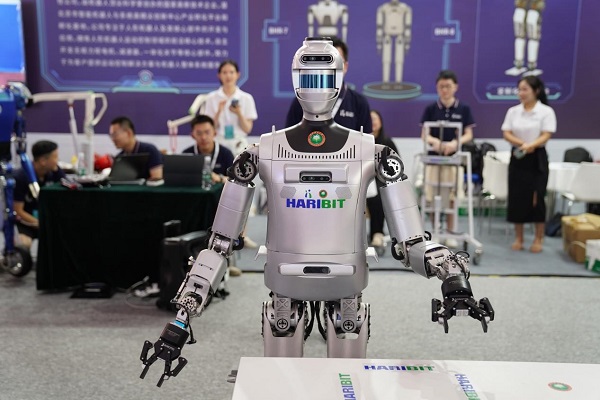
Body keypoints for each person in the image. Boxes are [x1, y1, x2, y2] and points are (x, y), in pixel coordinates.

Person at [420, 70, 475, 247]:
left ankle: (450, 232)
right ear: (437, 88)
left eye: (448, 86)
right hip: (433, 160)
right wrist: (435, 142)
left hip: (453, 160)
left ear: (455, 87)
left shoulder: (463, 108)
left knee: (452, 197)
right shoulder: (431, 109)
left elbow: (469, 134)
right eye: (441, 86)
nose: (445, 90)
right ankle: (435, 230)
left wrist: (455, 143)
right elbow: (424, 134)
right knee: (432, 196)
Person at [501, 75, 556, 253]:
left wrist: (532, 145)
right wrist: (522, 144)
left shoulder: (545, 111)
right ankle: (519, 238)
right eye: (519, 89)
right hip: (518, 156)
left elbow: (546, 134)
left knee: (537, 197)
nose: (521, 93)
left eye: (525, 89)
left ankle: (538, 238)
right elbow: (506, 132)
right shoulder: (513, 111)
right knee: (517, 196)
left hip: (537, 158)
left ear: (536, 91)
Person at [285, 36, 373, 133]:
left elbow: (366, 139)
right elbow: (290, 136)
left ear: (345, 66)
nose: (331, 66)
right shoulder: (302, 100)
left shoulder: (359, 103)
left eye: (337, 61)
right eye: (327, 60)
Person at [13, 140, 66, 249]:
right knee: (23, 244)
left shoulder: (56, 173)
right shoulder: (21, 177)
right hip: (26, 223)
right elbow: (18, 210)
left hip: (48, 221)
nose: (58, 160)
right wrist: (40, 222)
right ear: (43, 161)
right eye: (55, 157)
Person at [203, 60, 258, 156]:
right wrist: (219, 111)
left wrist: (239, 113)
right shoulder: (211, 98)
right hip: (219, 143)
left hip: (239, 144)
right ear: (219, 75)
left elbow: (247, 129)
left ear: (238, 74)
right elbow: (210, 128)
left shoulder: (246, 98)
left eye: (231, 72)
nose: (228, 76)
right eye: (224, 72)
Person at [366, 110, 399, 248]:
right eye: (370, 119)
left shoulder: (387, 142)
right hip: (363, 177)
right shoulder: (360, 141)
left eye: (375, 119)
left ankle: (377, 233)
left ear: (380, 122)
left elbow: (396, 164)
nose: (373, 122)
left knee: (379, 195)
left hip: (381, 178)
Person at [182, 114, 234, 184]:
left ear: (215, 133)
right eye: (199, 133)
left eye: (207, 132)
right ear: (192, 135)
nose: (203, 137)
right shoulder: (186, 154)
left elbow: (234, 180)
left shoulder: (226, 154)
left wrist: (220, 178)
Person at [109, 116, 163, 180]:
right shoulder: (119, 158)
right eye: (111, 136)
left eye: (115, 135)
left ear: (129, 133)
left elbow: (157, 179)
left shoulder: (150, 151)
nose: (113, 139)